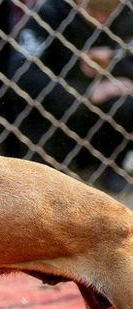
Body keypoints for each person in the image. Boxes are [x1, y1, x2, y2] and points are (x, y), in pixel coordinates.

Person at [8, 0, 133, 192]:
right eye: (95, 11)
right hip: (53, 123)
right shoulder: (50, 12)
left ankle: (111, 166)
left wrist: (115, 61)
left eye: (109, 13)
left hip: (103, 127)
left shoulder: (127, 14)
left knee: (125, 103)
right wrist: (88, 92)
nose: (101, 21)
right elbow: (21, 74)